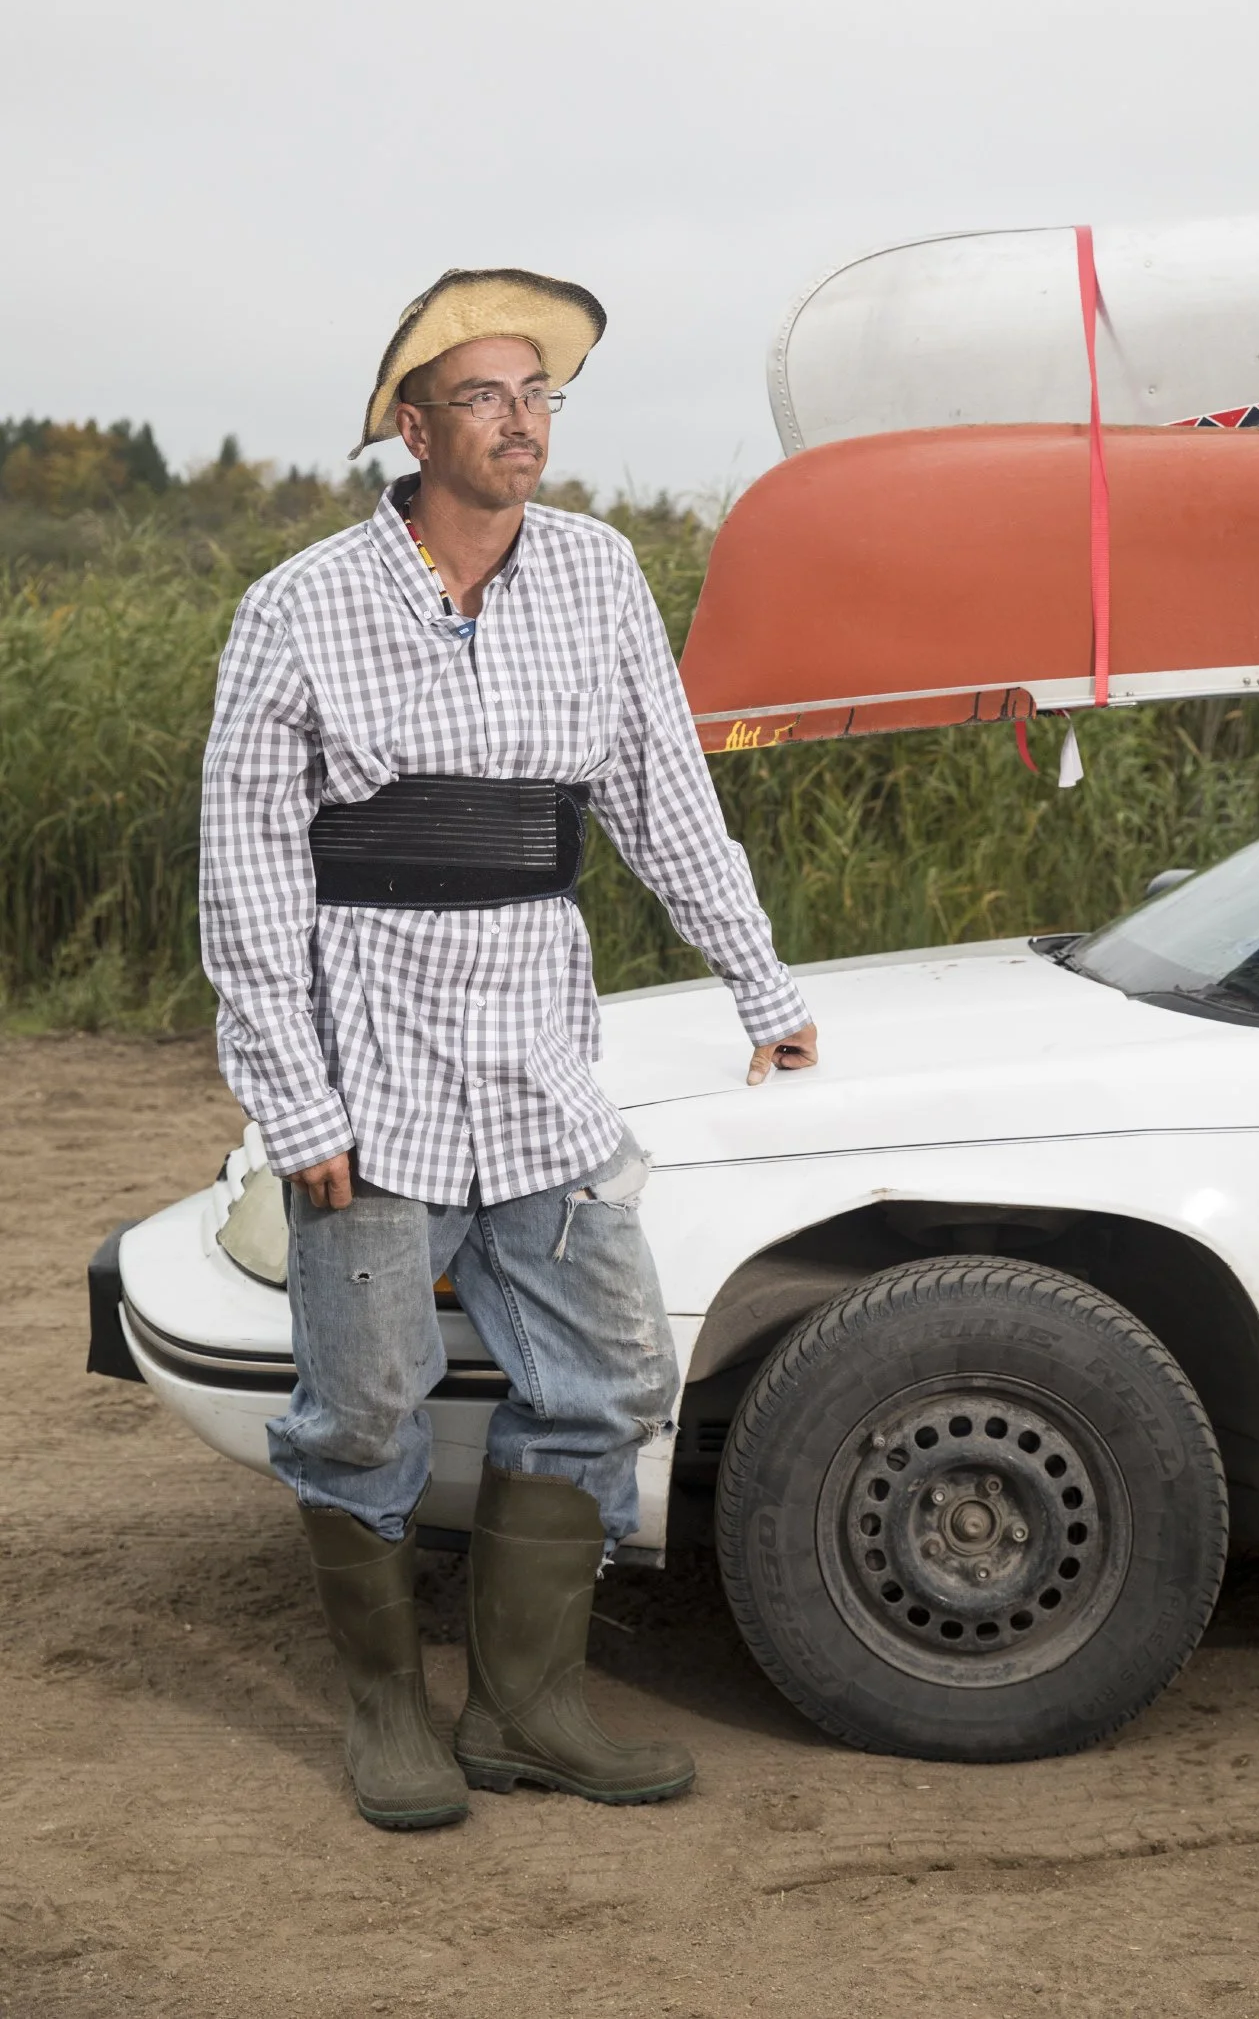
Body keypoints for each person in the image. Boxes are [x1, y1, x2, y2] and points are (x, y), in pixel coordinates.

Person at [199, 266, 817, 1830]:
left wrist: (762, 987)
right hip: (372, 1067)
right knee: (365, 1409)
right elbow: (248, 871)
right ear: (412, 432)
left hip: (540, 1062)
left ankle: (526, 1710)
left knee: (610, 1374)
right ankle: (386, 1713)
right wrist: (294, 1101)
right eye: (482, 395)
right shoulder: (301, 606)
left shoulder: (598, 576)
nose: (519, 419)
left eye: (537, 393)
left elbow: (666, 800)